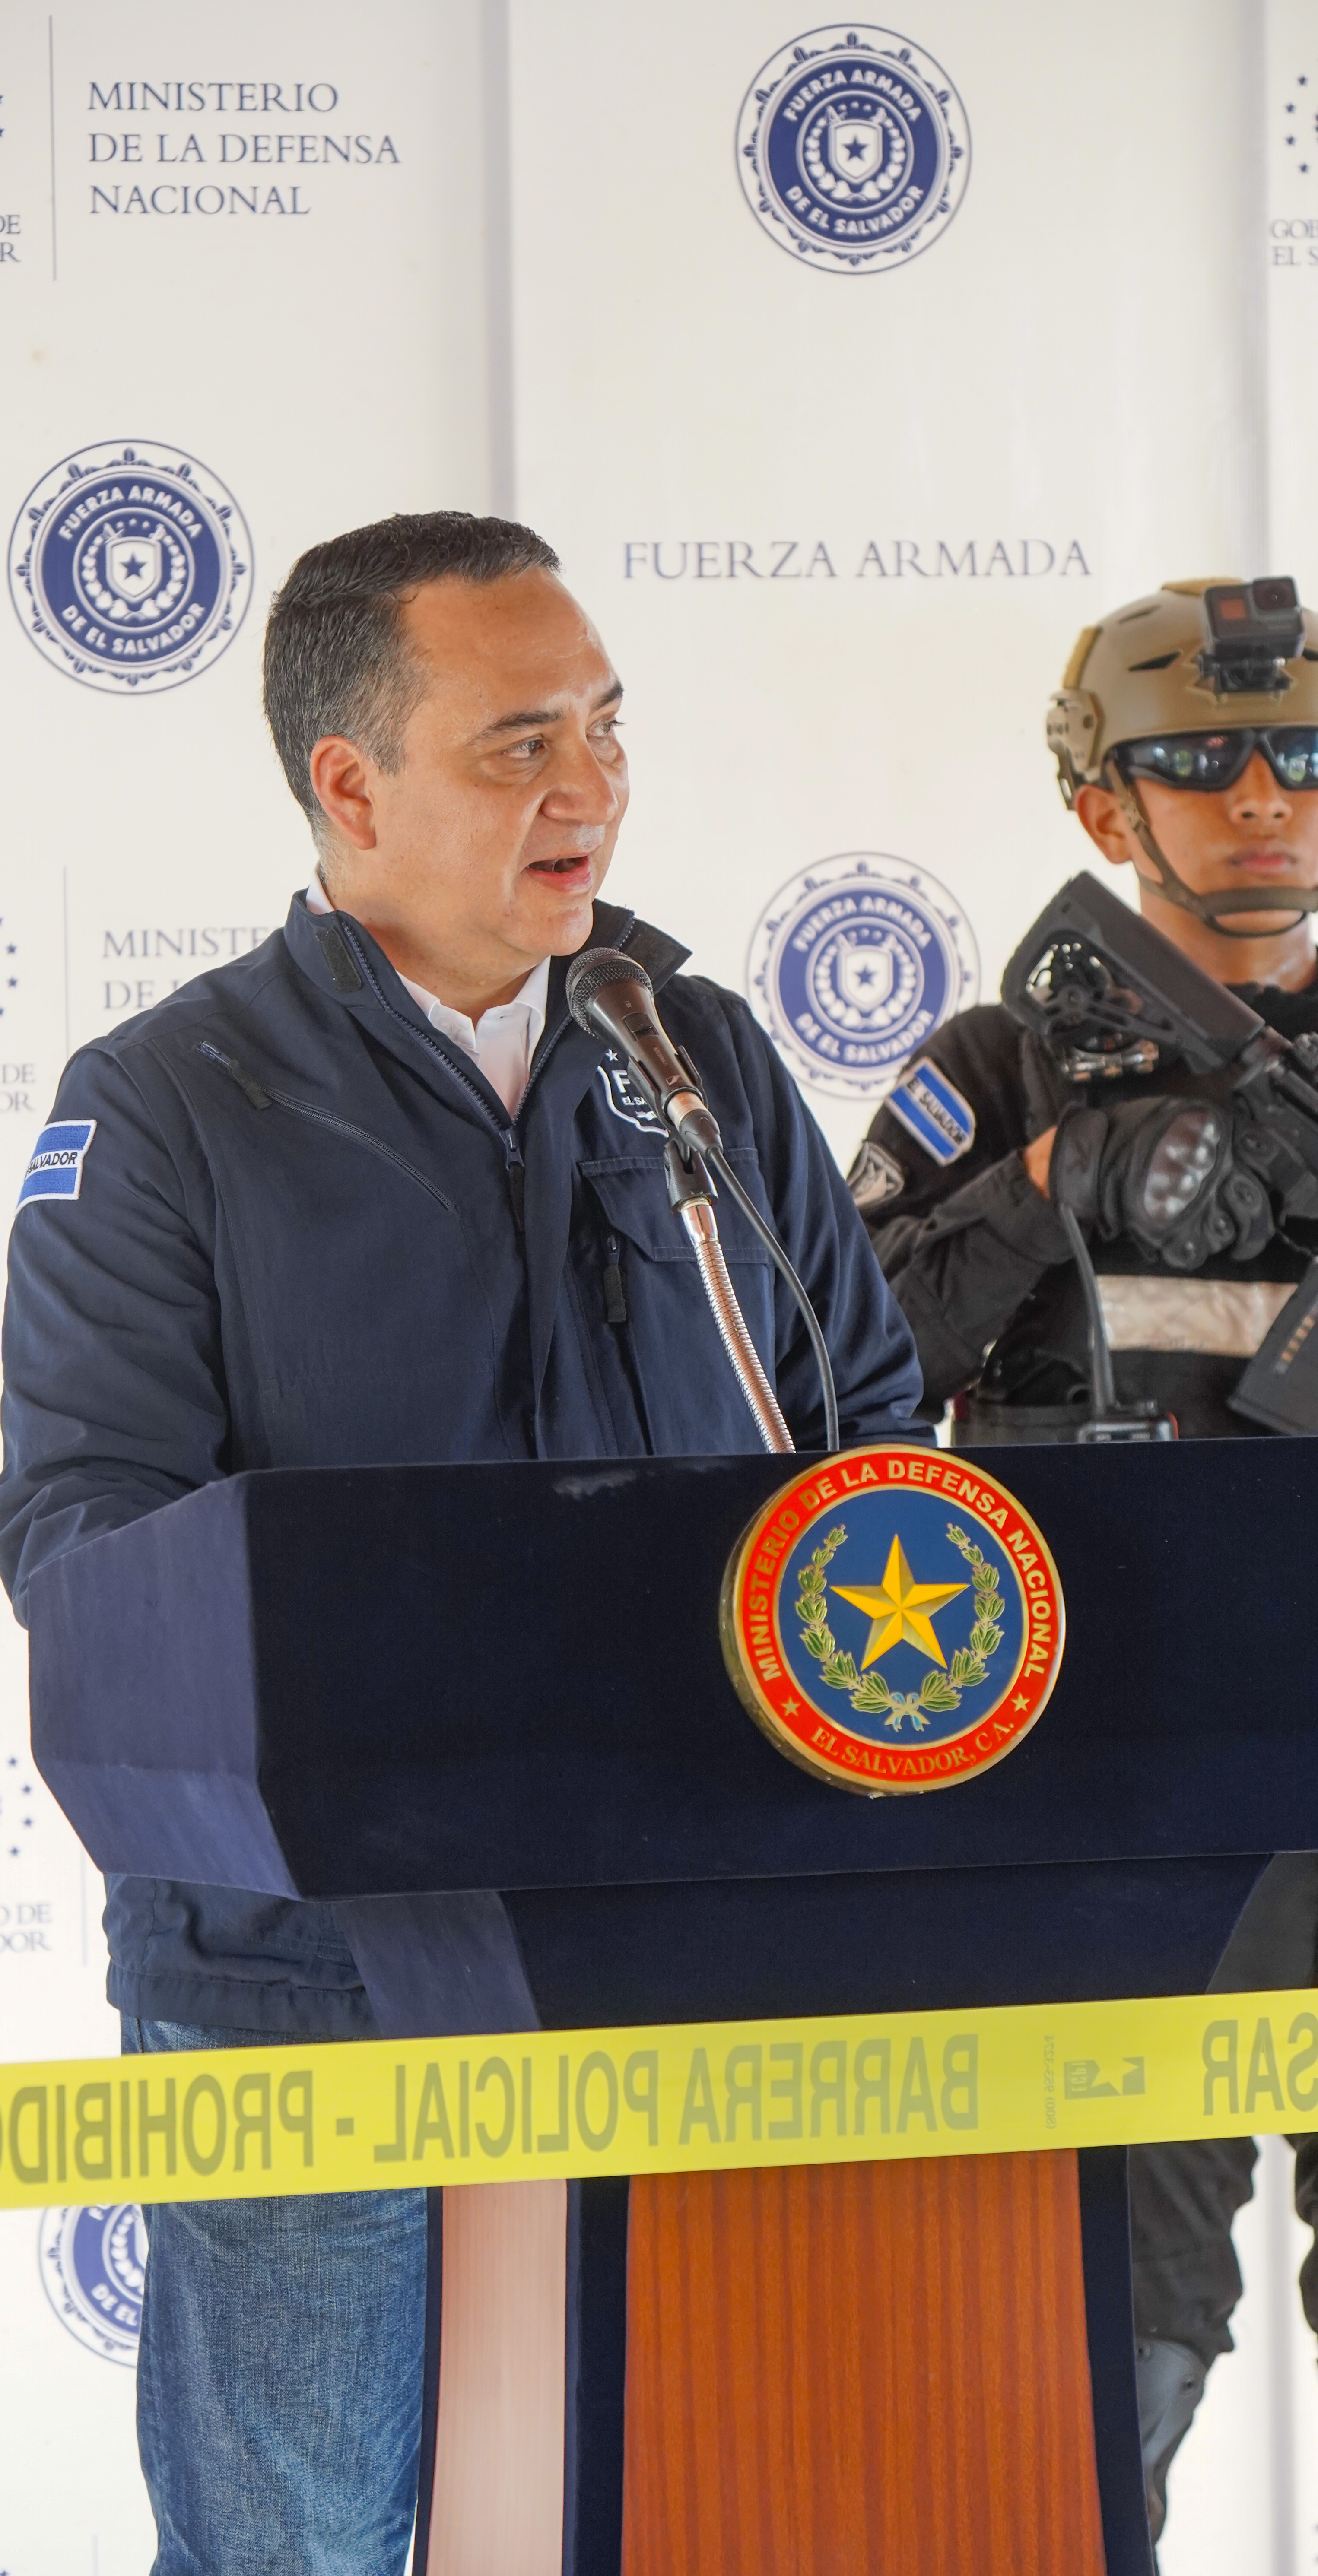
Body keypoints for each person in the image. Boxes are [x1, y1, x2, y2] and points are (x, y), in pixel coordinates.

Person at [0, 510, 924, 2576]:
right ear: (351, 785)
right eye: (520, 744)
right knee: (300, 2545)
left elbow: (865, 1423)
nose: (588, 784)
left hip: (699, 1929)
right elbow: (85, 1537)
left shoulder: (693, 1060)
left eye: (605, 728)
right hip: (308, 1968)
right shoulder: (162, 1105)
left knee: (702, 2505)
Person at [847, 573, 1318, 2544]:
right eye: (1197, 759)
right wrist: (1052, 1185)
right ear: (1098, 804)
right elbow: (835, 1363)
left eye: (1298, 753)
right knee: (1111, 2340)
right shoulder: (996, 1071)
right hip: (1109, 1778)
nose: (1262, 797)